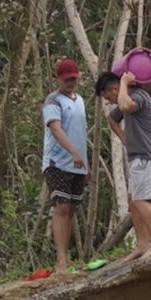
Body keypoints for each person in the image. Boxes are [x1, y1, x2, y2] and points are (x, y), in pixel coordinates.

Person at [100, 66, 151, 258]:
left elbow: (125, 107)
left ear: (114, 89)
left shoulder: (138, 96)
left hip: (149, 157)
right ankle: (142, 244)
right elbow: (112, 118)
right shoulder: (127, 99)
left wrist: (123, 82)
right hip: (139, 157)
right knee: (133, 201)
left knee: (141, 200)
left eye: (108, 96)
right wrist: (124, 138)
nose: (109, 101)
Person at [41, 58, 89, 274]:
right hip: (58, 161)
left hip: (78, 164)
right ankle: (60, 260)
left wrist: (85, 163)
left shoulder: (79, 100)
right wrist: (72, 153)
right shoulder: (53, 101)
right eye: (67, 79)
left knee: (71, 209)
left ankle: (67, 258)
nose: (71, 82)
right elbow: (56, 129)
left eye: (74, 79)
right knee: (60, 207)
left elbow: (81, 132)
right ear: (59, 78)